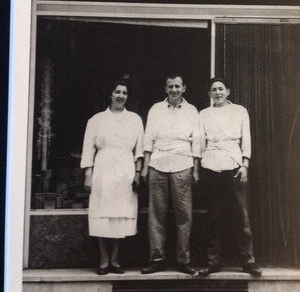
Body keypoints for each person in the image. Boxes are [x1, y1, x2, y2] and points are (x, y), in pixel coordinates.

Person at [198, 77, 262, 277]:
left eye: (221, 89)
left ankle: (248, 261)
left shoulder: (240, 111)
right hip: (211, 167)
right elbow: (200, 143)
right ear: (209, 94)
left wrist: (245, 165)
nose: (217, 93)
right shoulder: (203, 114)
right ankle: (213, 262)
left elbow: (246, 139)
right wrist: (202, 165)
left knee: (241, 216)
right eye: (213, 90)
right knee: (213, 217)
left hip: (235, 167)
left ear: (228, 91)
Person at [80, 80, 144, 275]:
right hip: (103, 169)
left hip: (125, 169)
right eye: (117, 92)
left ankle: (115, 260)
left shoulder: (134, 119)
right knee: (102, 214)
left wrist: (138, 173)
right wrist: (88, 174)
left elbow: (139, 150)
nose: (120, 96)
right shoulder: (96, 120)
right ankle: (103, 260)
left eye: (124, 93)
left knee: (119, 215)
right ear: (110, 94)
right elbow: (88, 149)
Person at [141, 74, 200, 275]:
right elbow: (148, 138)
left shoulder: (192, 110)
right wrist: (145, 166)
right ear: (165, 89)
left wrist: (196, 169)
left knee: (184, 215)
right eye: (170, 86)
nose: (174, 90)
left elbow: (197, 141)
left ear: (184, 88)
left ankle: (183, 260)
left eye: (177, 86)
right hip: (157, 164)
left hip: (183, 164)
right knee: (157, 215)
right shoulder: (155, 109)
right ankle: (157, 259)